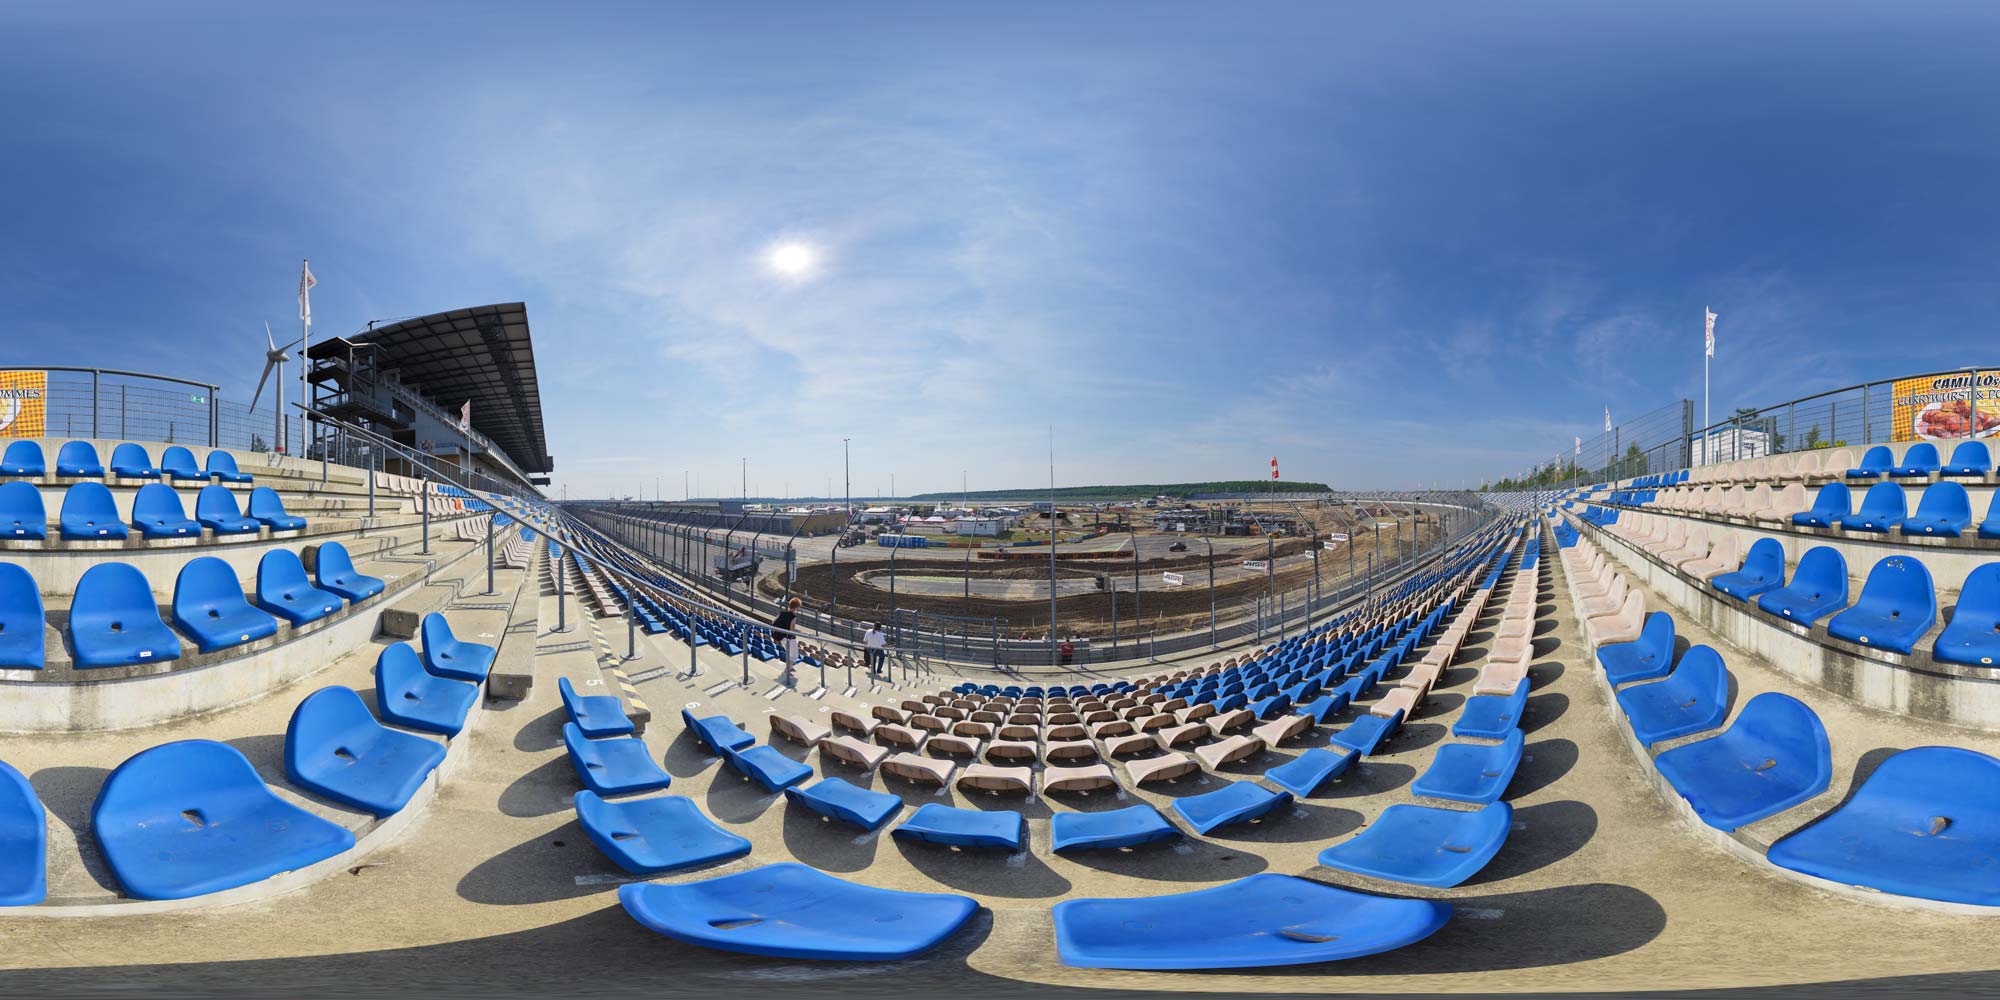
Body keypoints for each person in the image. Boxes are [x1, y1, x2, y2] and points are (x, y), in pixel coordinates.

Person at [773, 597, 801, 685]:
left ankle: (790, 667)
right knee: (794, 656)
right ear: (796, 607)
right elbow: (792, 629)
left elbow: (774, 622)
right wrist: (801, 632)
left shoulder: (782, 613)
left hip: (782, 637)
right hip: (790, 639)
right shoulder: (794, 617)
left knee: (789, 653)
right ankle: (787, 671)